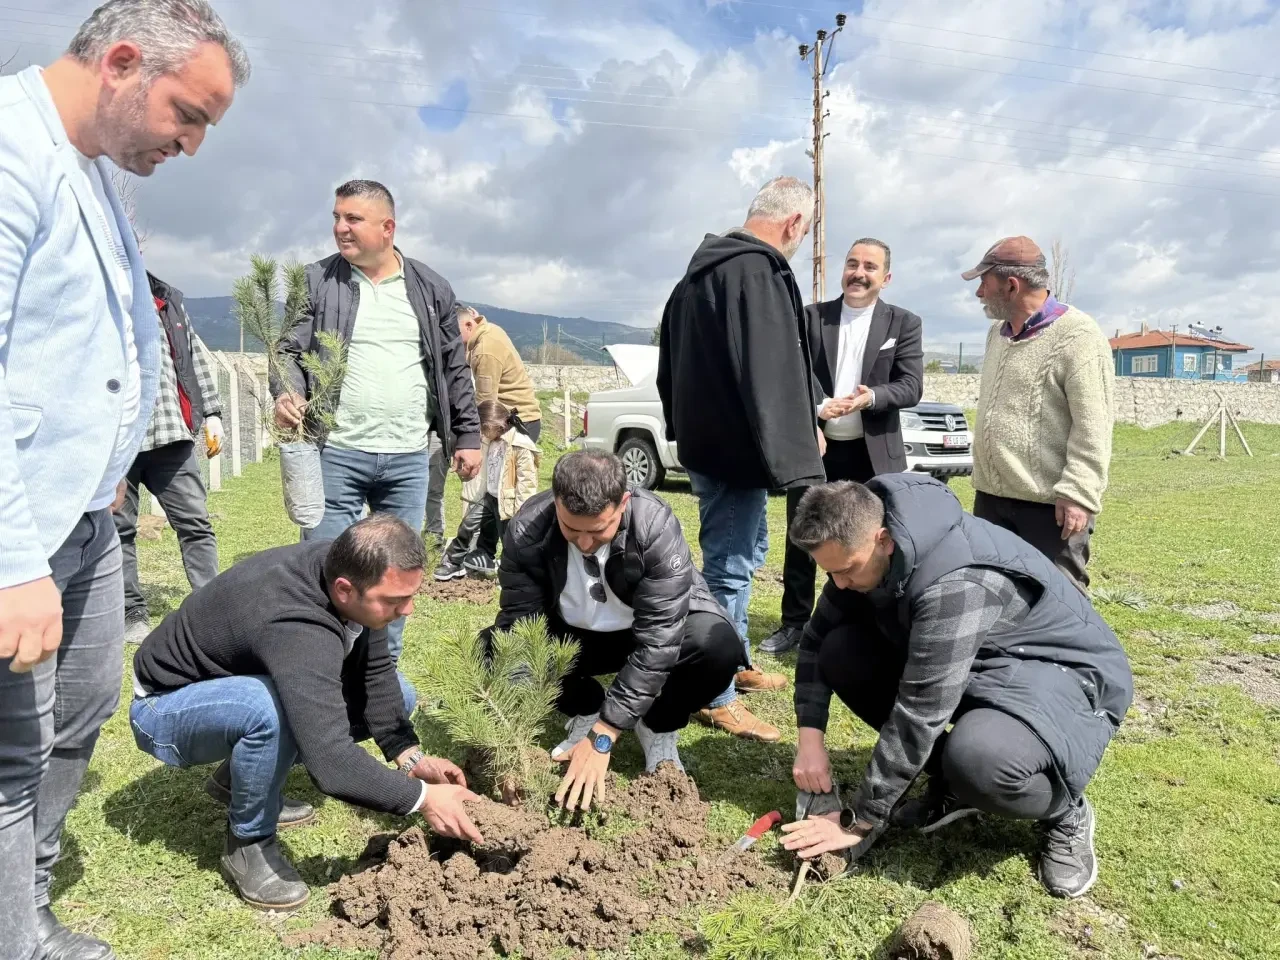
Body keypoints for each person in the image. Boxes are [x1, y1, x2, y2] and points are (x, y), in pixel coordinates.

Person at [0, 4, 247, 958]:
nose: (190, 145)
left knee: (81, 712)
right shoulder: (13, 151)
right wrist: (13, 562)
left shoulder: (94, 171)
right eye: (189, 115)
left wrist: (105, 474)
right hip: (22, 529)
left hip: (87, 517)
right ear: (124, 62)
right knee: (14, 748)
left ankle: (28, 898)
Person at [780, 475, 1132, 899]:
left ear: (883, 540)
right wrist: (810, 740)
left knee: (980, 759)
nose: (838, 584)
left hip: (1060, 673)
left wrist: (859, 822)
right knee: (841, 651)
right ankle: (951, 783)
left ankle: (1064, 810)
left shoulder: (956, 583)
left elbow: (921, 709)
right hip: (981, 658)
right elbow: (816, 642)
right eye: (830, 573)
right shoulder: (862, 551)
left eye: (846, 570)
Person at [129, 515, 483, 911]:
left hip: (234, 684)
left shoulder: (349, 569)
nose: (408, 610)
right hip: (165, 705)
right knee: (268, 709)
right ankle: (248, 842)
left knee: (401, 694)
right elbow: (331, 763)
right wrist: (423, 799)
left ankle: (236, 780)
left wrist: (410, 756)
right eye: (395, 600)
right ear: (344, 590)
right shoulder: (297, 624)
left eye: (411, 595)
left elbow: (375, 671)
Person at [271, 179, 482, 661]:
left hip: (408, 457)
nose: (340, 228)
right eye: (336, 217)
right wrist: (288, 391)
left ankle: (381, 678)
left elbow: (454, 367)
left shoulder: (430, 287)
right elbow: (287, 351)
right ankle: (323, 672)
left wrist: (468, 434)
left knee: (394, 578)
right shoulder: (316, 281)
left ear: (388, 228)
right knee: (328, 570)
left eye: (353, 219)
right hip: (335, 453)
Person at [657, 175, 823, 743]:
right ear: (794, 223)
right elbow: (772, 369)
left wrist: (681, 426)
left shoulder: (698, 273)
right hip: (736, 451)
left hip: (710, 444)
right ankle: (715, 692)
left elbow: (668, 362)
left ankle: (737, 660)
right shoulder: (756, 272)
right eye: (806, 231)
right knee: (728, 568)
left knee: (745, 555)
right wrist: (801, 438)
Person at [488, 451, 744, 810]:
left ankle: (656, 723)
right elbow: (521, 627)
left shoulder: (654, 527)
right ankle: (586, 706)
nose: (584, 543)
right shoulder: (527, 530)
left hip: (639, 632)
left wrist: (605, 735)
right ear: (556, 502)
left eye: (597, 530)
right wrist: (511, 736)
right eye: (571, 529)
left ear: (623, 502)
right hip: (573, 638)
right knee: (492, 649)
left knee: (716, 645)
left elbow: (659, 639)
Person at [761, 238, 925, 655]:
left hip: (873, 454)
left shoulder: (904, 323)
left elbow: (911, 385)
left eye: (870, 266)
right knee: (803, 537)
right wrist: (816, 410)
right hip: (816, 448)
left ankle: (867, 622)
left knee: (872, 539)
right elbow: (790, 376)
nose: (859, 273)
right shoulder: (812, 317)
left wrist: (873, 397)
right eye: (853, 264)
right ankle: (795, 624)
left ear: (886, 277)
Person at [962, 236, 1115, 593]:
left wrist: (1078, 492)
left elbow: (1094, 424)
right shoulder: (996, 335)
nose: (979, 293)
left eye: (985, 282)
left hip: (1051, 508)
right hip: (992, 501)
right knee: (992, 596)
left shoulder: (1079, 337)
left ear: (1011, 286)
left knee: (1059, 601)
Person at [118, 272, 226, 644]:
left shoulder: (166, 300)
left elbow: (192, 358)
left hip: (172, 434)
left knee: (196, 523)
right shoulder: (96, 292)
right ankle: (130, 613)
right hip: (118, 440)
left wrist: (212, 413)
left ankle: (210, 606)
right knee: (119, 531)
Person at [434, 305, 543, 581]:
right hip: (502, 422)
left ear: (469, 325)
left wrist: (471, 440)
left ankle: (510, 560)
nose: (455, 341)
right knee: (490, 494)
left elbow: (485, 402)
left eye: (456, 334)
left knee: (501, 494)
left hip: (511, 423)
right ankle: (482, 553)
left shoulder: (485, 349)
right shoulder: (486, 334)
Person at [434, 399, 539, 579]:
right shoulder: (490, 440)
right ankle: (453, 562)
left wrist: (521, 511)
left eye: (482, 428)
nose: (481, 432)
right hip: (489, 497)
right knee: (467, 525)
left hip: (508, 502)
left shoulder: (520, 445)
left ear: (493, 425)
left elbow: (527, 481)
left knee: (509, 539)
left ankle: (513, 572)